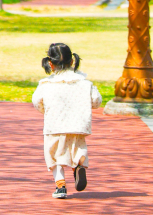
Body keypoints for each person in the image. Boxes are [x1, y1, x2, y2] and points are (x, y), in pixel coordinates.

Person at [31, 42, 102, 200]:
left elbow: (37, 102)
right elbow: (96, 101)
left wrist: (46, 111)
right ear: (72, 61)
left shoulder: (46, 84)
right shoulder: (84, 83)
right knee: (77, 147)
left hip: (54, 125)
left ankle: (60, 186)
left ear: (50, 63)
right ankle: (79, 164)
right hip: (78, 124)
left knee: (54, 155)